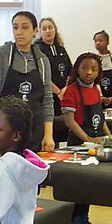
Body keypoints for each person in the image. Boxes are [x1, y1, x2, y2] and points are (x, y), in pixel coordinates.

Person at [0, 11, 54, 155]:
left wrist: (48, 135)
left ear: (35, 30)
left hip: (34, 131)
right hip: (5, 134)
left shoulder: (42, 60)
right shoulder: (0, 55)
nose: (19, 32)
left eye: (25, 27)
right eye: (15, 27)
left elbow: (47, 99)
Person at [61, 52, 112, 224]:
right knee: (78, 185)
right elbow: (70, 122)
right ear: (77, 69)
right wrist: (88, 139)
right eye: (84, 68)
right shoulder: (71, 91)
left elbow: (101, 117)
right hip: (78, 143)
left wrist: (108, 137)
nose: (89, 72)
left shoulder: (96, 90)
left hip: (95, 142)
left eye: (93, 69)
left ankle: (84, 221)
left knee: (89, 186)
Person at [35, 17, 73, 145]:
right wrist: (57, 92)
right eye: (44, 29)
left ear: (55, 29)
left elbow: (71, 72)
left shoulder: (61, 49)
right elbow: (41, 75)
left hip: (63, 98)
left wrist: (65, 90)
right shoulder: (37, 49)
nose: (48, 31)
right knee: (49, 132)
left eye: (50, 28)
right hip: (47, 98)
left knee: (63, 132)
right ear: (39, 32)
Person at [93, 30, 112, 107]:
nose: (97, 43)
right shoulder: (94, 59)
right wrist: (100, 96)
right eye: (96, 41)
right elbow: (94, 80)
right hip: (99, 98)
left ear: (107, 42)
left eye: (100, 40)